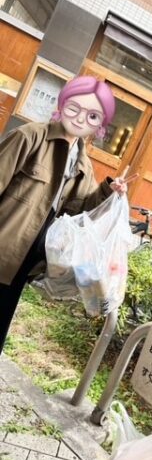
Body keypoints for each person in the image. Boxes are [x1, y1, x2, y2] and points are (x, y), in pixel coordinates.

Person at [0, 75, 134, 353]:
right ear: (62, 105)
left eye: (93, 116)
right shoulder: (30, 137)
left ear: (100, 125)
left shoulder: (83, 163)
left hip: (26, 259)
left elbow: (79, 212)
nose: (81, 118)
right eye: (75, 108)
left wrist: (108, 191)